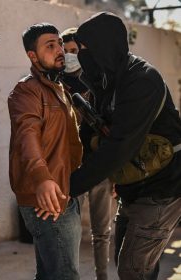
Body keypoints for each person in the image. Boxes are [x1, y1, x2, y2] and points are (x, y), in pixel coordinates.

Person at [70, 12, 181, 280]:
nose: (80, 56)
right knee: (137, 265)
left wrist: (69, 187)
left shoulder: (142, 80)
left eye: (84, 49)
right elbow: (92, 133)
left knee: (132, 270)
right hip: (134, 188)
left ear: (104, 48)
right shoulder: (105, 80)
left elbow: (120, 145)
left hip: (162, 189)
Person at [8, 23, 83, 280]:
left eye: (59, 43)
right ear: (32, 55)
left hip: (63, 191)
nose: (59, 50)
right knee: (64, 274)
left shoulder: (60, 88)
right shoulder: (27, 91)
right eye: (49, 46)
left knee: (51, 273)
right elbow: (26, 135)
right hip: (47, 198)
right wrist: (41, 178)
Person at [61, 27, 113, 280]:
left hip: (99, 167)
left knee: (101, 231)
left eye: (75, 51)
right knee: (68, 230)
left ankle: (102, 275)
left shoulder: (97, 82)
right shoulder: (57, 84)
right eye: (66, 51)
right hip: (72, 168)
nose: (71, 56)